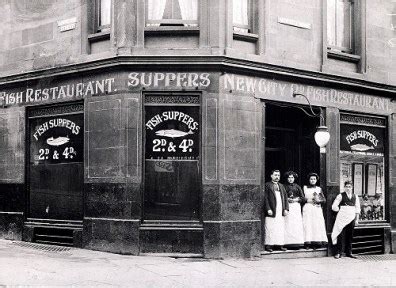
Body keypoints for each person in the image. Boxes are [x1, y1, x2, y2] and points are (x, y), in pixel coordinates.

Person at [331, 180, 360, 259]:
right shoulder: (340, 195)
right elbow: (334, 207)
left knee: (350, 235)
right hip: (342, 217)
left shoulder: (355, 196)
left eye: (349, 187)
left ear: (352, 187)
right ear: (344, 187)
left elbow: (357, 209)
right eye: (346, 187)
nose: (348, 188)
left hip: (351, 218)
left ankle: (349, 252)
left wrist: (356, 219)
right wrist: (341, 210)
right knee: (339, 234)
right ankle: (338, 252)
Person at [264, 169, 289, 252]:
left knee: (280, 227)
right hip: (272, 210)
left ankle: (279, 245)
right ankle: (269, 245)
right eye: (275, 175)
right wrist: (268, 209)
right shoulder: (267, 185)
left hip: (280, 210)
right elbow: (265, 198)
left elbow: (285, 198)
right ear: (271, 176)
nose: (277, 177)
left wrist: (286, 209)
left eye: (278, 175)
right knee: (270, 227)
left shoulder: (281, 186)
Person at [302, 172, 328, 249]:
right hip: (308, 208)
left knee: (316, 225)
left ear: (316, 180)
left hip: (316, 209)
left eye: (314, 179)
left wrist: (319, 201)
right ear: (309, 180)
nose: (312, 180)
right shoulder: (305, 188)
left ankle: (316, 243)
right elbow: (302, 198)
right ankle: (307, 243)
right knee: (308, 224)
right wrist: (308, 200)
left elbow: (324, 200)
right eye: (311, 179)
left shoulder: (319, 189)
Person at [284, 171, 305, 249]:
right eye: (289, 177)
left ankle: (297, 243)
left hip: (296, 207)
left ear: (294, 178)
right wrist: (287, 199)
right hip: (288, 206)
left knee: (296, 223)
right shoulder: (284, 186)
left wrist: (296, 200)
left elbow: (303, 198)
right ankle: (287, 242)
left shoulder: (297, 187)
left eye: (292, 177)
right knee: (288, 223)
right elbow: (282, 197)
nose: (290, 179)